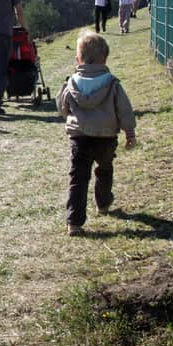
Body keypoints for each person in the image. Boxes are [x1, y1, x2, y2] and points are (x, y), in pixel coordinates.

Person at [56, 31, 137, 236]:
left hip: (80, 137)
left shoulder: (71, 82)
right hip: (106, 137)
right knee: (105, 170)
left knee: (78, 178)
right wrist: (130, 132)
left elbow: (62, 107)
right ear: (105, 58)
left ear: (78, 59)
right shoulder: (112, 83)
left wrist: (69, 112)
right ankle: (103, 203)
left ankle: (74, 222)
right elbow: (124, 109)